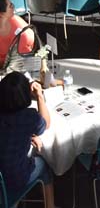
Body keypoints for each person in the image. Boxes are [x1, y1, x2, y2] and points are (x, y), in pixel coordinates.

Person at [0, 72, 56, 208]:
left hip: (2, 174)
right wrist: (40, 96)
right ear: (26, 95)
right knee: (44, 165)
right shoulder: (29, 117)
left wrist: (28, 135)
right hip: (15, 177)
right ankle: (50, 205)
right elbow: (46, 124)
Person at [0, 0, 33, 67]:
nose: (14, 7)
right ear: (1, 14)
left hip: (23, 63)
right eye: (11, 6)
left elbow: (31, 43)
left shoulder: (18, 22)